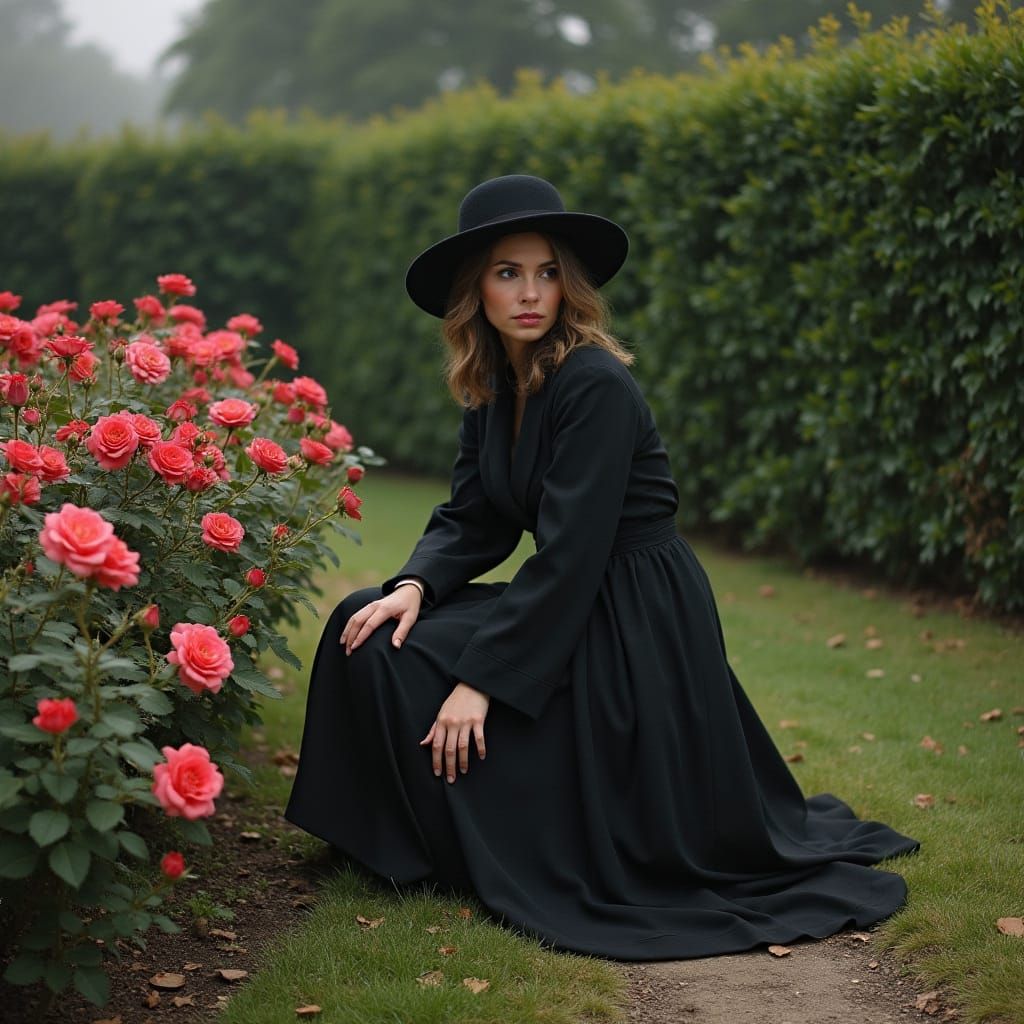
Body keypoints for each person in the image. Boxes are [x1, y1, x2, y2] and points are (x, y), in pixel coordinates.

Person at [285, 174, 919, 959]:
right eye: (508, 272)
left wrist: (481, 680)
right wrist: (412, 586)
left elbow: (575, 552)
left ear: (569, 284)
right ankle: (385, 845)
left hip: (634, 613)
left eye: (547, 272)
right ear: (474, 289)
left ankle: (454, 852)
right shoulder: (491, 387)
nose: (530, 293)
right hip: (574, 593)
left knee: (436, 670)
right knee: (362, 622)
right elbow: (474, 517)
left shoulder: (594, 382)